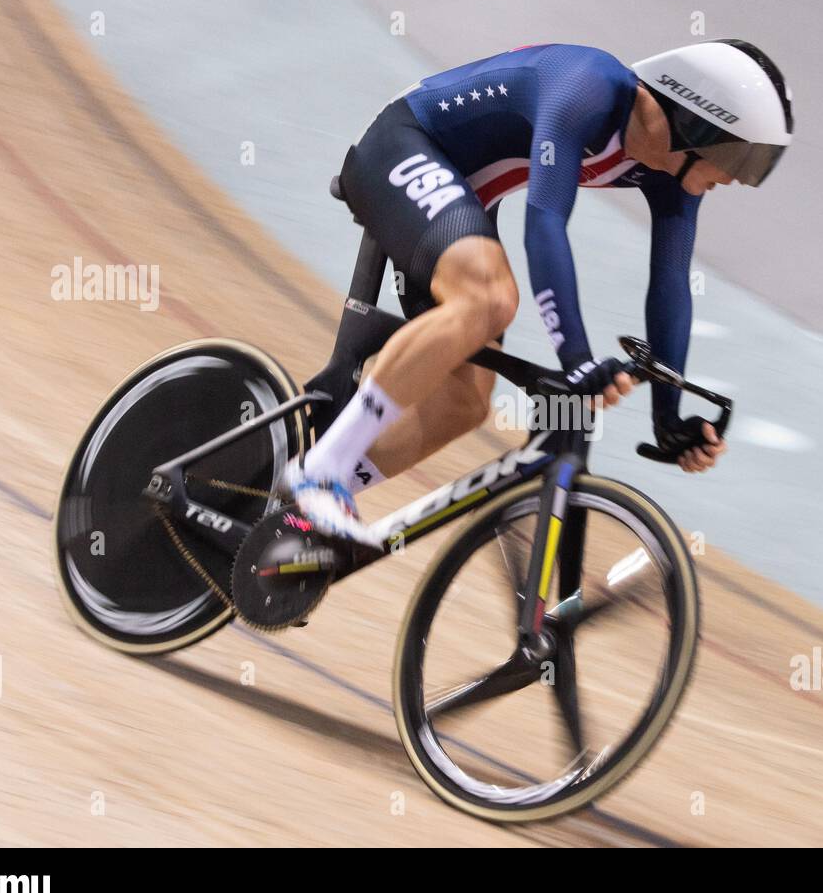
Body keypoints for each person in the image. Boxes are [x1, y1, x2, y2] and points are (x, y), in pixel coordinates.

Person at [288, 39, 794, 544]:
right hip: (401, 144)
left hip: (461, 195)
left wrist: (668, 418)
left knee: (464, 402)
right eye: (740, 157)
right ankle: (319, 473)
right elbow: (546, 226)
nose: (736, 178)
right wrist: (577, 360)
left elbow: (670, 282)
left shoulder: (672, 174)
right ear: (694, 124)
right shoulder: (588, 88)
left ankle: (300, 510)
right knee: (489, 298)